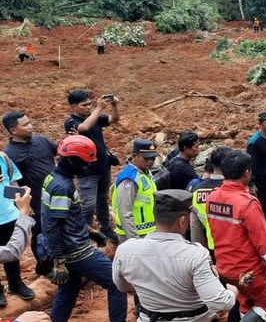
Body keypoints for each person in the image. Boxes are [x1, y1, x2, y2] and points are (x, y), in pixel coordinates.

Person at [113, 189, 238, 322]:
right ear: (182, 220)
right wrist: (232, 291)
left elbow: (123, 286)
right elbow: (220, 303)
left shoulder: (126, 251)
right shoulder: (195, 255)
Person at [42, 135, 132, 322]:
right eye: (85, 162)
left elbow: (65, 219)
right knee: (116, 281)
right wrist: (58, 259)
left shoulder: (53, 179)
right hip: (76, 252)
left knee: (67, 292)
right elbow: (53, 225)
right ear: (71, 160)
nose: (88, 166)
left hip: (71, 245)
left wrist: (92, 232)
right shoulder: (62, 187)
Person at [207, 150, 266, 322]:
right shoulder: (247, 203)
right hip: (249, 269)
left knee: (247, 302)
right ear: (247, 173)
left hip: (226, 267)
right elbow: (263, 242)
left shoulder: (213, 197)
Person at [64, 89, 119, 242]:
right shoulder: (71, 122)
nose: (88, 107)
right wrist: (99, 108)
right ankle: (85, 232)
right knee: (88, 204)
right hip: (86, 171)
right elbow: (84, 128)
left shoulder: (93, 117)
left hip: (103, 166)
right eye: (84, 105)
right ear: (73, 107)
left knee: (102, 200)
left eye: (89, 104)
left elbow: (114, 119)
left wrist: (114, 105)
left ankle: (105, 227)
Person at [2, 111, 55, 264]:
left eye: (30, 122)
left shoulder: (42, 141)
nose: (31, 126)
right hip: (36, 204)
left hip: (55, 196)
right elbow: (8, 185)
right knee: (39, 235)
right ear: (13, 130)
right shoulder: (8, 154)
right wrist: (24, 205)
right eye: (25, 125)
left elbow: (60, 152)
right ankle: (44, 265)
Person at [0, 149, 34, 306]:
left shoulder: (2, 157)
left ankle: (15, 284)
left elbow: (12, 181)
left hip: (9, 214)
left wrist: (22, 201)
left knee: (13, 251)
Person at [112, 139, 159, 243]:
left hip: (147, 231)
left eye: (153, 158)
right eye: (146, 158)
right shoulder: (129, 178)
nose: (150, 161)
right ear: (134, 155)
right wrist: (134, 241)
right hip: (134, 234)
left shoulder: (144, 172)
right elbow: (125, 212)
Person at [189, 146, 231, 252]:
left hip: (212, 246)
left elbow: (195, 227)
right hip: (234, 247)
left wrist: (199, 252)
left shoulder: (197, 190)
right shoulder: (232, 189)